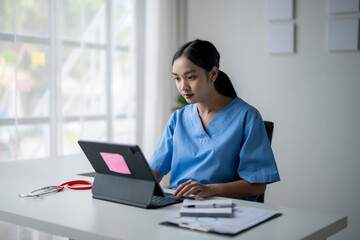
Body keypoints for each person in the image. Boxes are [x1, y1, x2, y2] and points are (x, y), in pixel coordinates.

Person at [148, 39, 280, 201]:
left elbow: (258, 185)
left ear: (213, 74)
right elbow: (154, 173)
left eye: (190, 77)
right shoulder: (178, 118)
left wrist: (210, 189)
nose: (183, 86)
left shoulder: (247, 117)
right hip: (180, 206)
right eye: (177, 78)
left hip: (227, 211)